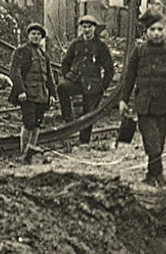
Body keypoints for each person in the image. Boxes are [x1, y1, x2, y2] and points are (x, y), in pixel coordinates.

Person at [119, 9, 166, 187]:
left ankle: (151, 175)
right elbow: (129, 78)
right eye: (153, 30)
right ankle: (159, 175)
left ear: (165, 31)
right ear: (146, 31)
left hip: (164, 106)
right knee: (152, 142)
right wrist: (123, 100)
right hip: (144, 105)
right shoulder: (138, 52)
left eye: (160, 29)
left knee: (159, 144)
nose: (156, 33)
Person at [58, 14, 115, 144]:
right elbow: (65, 63)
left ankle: (84, 142)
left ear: (94, 28)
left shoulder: (101, 46)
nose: (87, 30)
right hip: (76, 81)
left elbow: (109, 69)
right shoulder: (75, 44)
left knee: (88, 114)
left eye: (89, 27)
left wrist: (102, 87)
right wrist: (68, 75)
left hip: (93, 84)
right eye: (84, 27)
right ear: (80, 28)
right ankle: (68, 118)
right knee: (62, 87)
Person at [9, 23, 56, 161]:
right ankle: (24, 153)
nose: (35, 36)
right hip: (28, 95)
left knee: (37, 124)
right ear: (28, 36)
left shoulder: (44, 54)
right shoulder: (21, 51)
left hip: (42, 94)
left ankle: (32, 152)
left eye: (38, 34)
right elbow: (14, 72)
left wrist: (52, 94)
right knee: (28, 123)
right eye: (33, 34)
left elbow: (49, 76)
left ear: (41, 37)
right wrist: (21, 91)